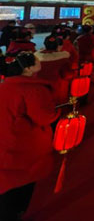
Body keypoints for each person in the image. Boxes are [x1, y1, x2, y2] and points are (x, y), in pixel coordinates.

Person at [0, 51, 59, 221]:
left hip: (5, 140)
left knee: (7, 183)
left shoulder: (5, 86)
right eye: (36, 60)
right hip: (22, 145)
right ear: (28, 69)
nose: (39, 60)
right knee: (22, 181)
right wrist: (57, 112)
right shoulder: (33, 89)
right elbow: (44, 116)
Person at [34, 35, 72, 105]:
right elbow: (67, 75)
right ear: (58, 46)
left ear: (45, 44)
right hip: (56, 89)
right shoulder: (63, 58)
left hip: (39, 88)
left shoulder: (36, 57)